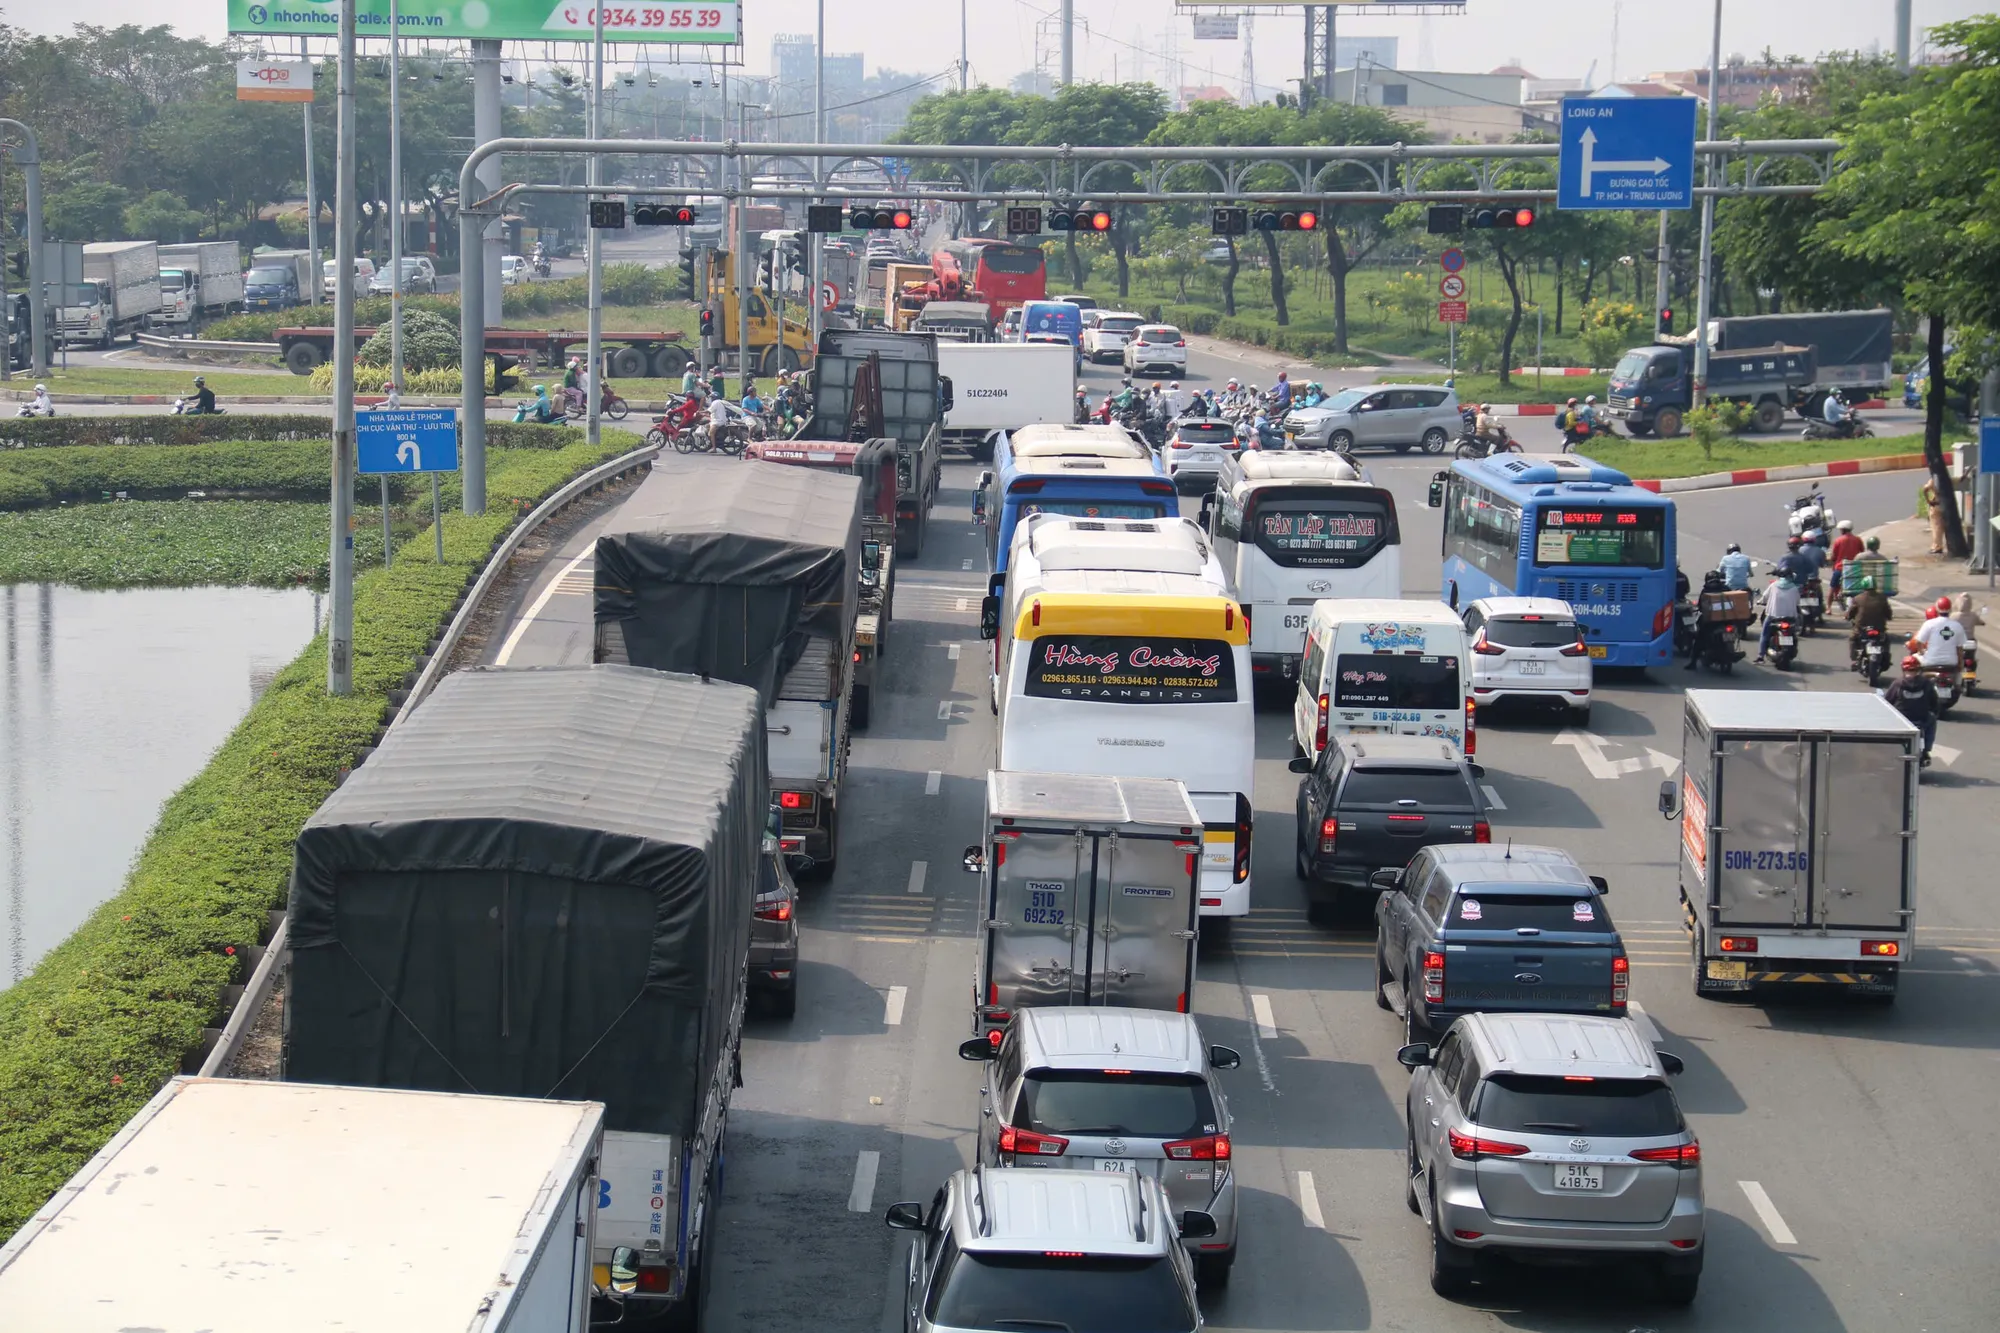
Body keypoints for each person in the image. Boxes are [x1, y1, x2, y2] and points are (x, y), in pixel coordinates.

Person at [1884, 655, 1940, 765]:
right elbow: (1935, 702)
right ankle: (1927, 749)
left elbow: (1887, 702)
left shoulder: (1898, 683)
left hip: (1901, 721)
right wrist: (1934, 712)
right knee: (1932, 719)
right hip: (1922, 719)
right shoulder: (1926, 683)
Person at [1755, 574, 1802, 663]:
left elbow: (1764, 597)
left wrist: (1759, 602)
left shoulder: (1773, 585)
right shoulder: (1794, 588)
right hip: (1790, 617)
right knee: (1794, 633)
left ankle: (1760, 656)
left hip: (1773, 616)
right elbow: (1797, 601)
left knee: (1764, 634)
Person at [1845, 575, 1893, 656]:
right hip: (1879, 628)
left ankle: (1854, 658)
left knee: (1852, 638)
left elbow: (1851, 612)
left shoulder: (1858, 598)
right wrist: (1889, 617)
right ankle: (1886, 657)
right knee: (1886, 640)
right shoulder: (1882, 598)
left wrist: (1848, 617)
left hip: (1862, 628)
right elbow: (1888, 612)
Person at [1910, 601, 1966, 669]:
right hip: (1951, 662)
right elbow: (1960, 648)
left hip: (1931, 662)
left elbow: (1919, 642)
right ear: (1950, 609)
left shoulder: (1929, 623)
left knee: (1912, 660)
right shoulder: (1957, 625)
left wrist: (1921, 652)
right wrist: (1960, 663)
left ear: (1937, 609)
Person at [1922, 477, 1947, 554]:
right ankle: (1942, 545)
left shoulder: (1933, 480)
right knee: (1942, 526)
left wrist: (1928, 501)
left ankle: (1937, 546)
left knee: (1936, 527)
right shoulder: (1945, 479)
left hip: (1936, 504)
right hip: (1945, 505)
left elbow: (1925, 489)